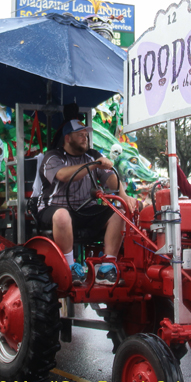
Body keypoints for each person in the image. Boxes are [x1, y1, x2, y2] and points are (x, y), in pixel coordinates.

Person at [38, 120, 137, 286]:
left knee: (118, 213)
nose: (85, 138)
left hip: (85, 209)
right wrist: (92, 165)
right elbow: (63, 175)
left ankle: (106, 268)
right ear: (68, 138)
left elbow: (110, 180)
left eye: (86, 135)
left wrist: (124, 195)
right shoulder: (53, 157)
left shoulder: (92, 156)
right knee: (62, 215)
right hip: (53, 207)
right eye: (80, 135)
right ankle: (70, 266)